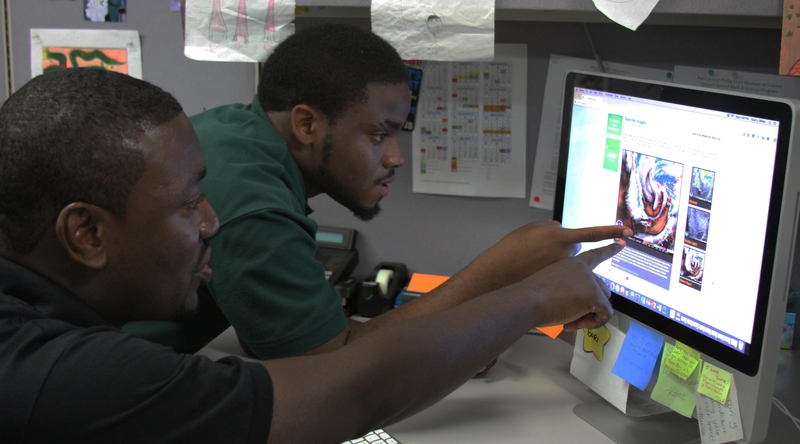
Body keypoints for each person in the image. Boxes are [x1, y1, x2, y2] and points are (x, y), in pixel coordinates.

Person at [1, 68, 629, 443]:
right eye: (188, 202)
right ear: (85, 234)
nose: (211, 219)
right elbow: (350, 388)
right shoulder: (59, 376)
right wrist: (536, 295)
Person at [123, 22, 630, 360]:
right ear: (306, 124)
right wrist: (508, 279)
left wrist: (459, 335)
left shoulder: (239, 135)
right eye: (378, 134)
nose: (395, 158)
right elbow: (333, 369)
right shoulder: (251, 201)